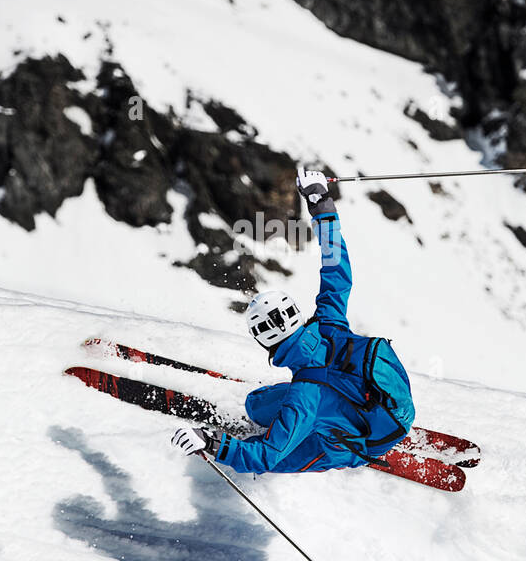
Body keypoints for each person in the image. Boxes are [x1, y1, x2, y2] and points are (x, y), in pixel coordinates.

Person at [170, 167, 414, 473]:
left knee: (284, 456)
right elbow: (337, 272)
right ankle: (346, 417)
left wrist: (215, 444)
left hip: (364, 441)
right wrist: (320, 203)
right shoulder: (330, 324)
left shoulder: (304, 396)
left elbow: (266, 456)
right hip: (391, 403)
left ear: (264, 341)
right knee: (257, 405)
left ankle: (347, 438)